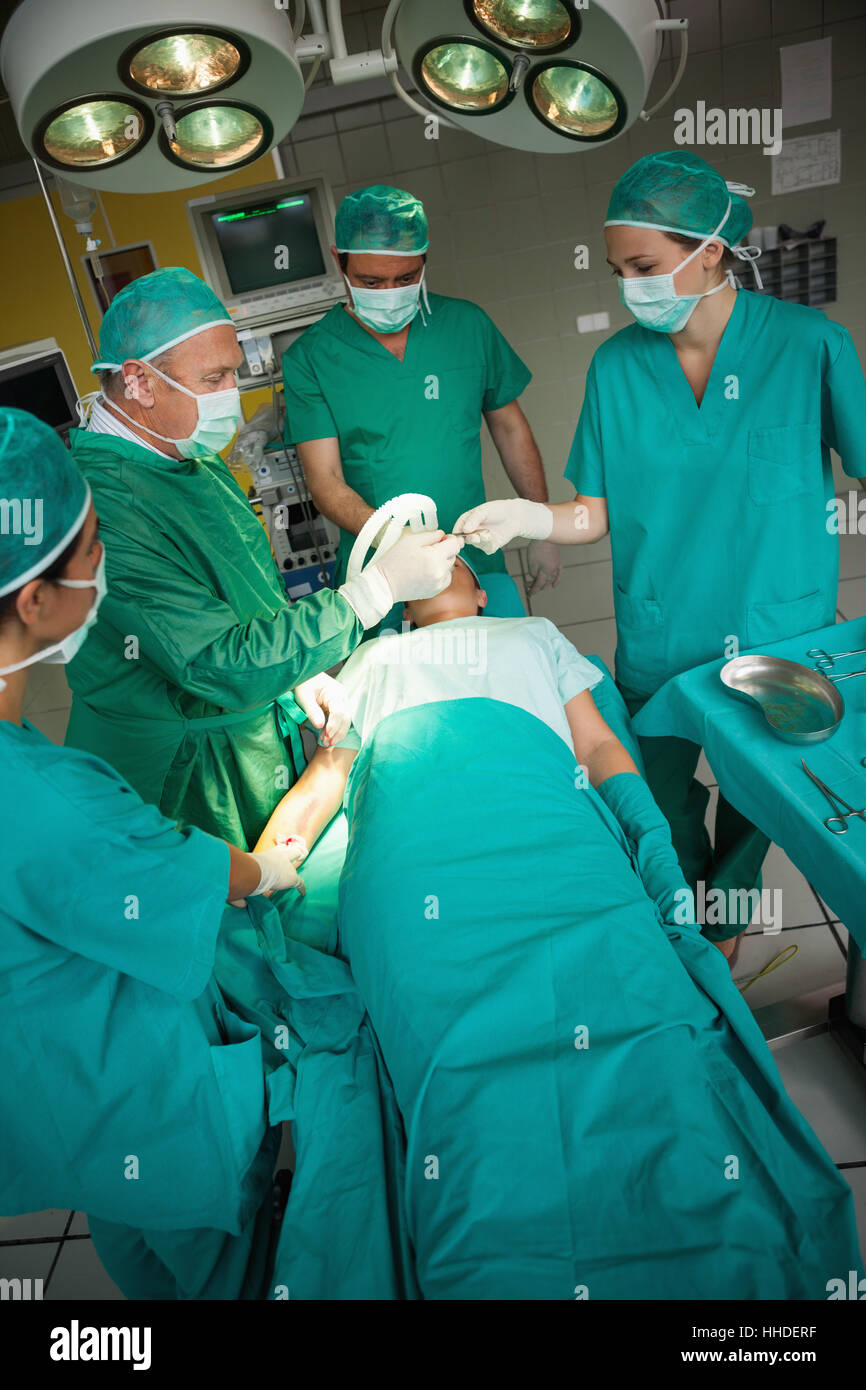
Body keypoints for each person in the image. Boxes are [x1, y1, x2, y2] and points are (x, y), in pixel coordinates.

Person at [251, 552, 863, 1299]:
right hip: (417, 855)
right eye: (419, 560)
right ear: (402, 605)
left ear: (482, 591)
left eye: (452, 553)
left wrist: (647, 832)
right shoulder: (372, 660)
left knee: (640, 1032)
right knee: (460, 1072)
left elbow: (597, 745)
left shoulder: (533, 633)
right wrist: (264, 870)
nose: (435, 554)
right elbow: (327, 778)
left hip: (553, 835)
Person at [0, 407, 419, 1300]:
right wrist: (300, 819)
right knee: (217, 1251)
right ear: (35, 599)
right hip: (138, 1114)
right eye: (93, 548)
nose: (108, 564)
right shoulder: (52, 802)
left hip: (57, 1103)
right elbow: (216, 876)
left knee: (136, 1243)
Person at [453, 149, 866, 960]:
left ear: (710, 250)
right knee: (657, 798)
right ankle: (692, 916)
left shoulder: (809, 343)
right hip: (662, 633)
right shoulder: (617, 366)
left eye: (643, 266)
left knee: (762, 802)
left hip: (778, 633)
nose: (627, 287)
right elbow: (593, 514)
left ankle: (729, 928)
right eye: (617, 270)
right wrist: (530, 518)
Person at [64, 266, 463, 847]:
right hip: (176, 773)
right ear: (140, 382)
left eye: (235, 370)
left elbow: (248, 599)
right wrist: (371, 592)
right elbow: (212, 660)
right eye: (215, 376)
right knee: (207, 916)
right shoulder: (103, 511)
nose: (234, 390)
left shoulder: (190, 462)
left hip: (243, 734)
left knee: (271, 896)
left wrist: (297, 679)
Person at [281, 183, 561, 631]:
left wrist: (541, 524)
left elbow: (510, 429)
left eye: (406, 278)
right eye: (372, 282)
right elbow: (326, 480)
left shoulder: (466, 326)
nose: (390, 292)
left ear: (425, 261)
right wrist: (396, 540)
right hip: (379, 573)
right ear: (339, 260)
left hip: (473, 560)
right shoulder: (311, 359)